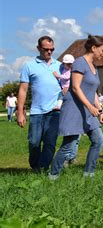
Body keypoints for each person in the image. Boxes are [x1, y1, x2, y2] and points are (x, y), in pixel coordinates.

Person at [49, 35, 103, 180]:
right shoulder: (80, 63)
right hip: (74, 108)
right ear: (93, 48)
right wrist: (89, 106)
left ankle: (88, 174)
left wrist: (99, 110)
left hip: (88, 110)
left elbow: (92, 91)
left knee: (99, 140)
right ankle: (53, 175)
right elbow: (75, 87)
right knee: (68, 146)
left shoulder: (94, 67)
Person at [17, 36, 62, 173]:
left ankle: (42, 169)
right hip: (37, 111)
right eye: (46, 49)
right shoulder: (29, 66)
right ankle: (35, 165)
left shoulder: (60, 66)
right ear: (38, 48)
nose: (49, 52)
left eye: (52, 49)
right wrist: (20, 112)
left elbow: (67, 86)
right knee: (34, 142)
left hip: (55, 111)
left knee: (50, 142)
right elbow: (23, 90)